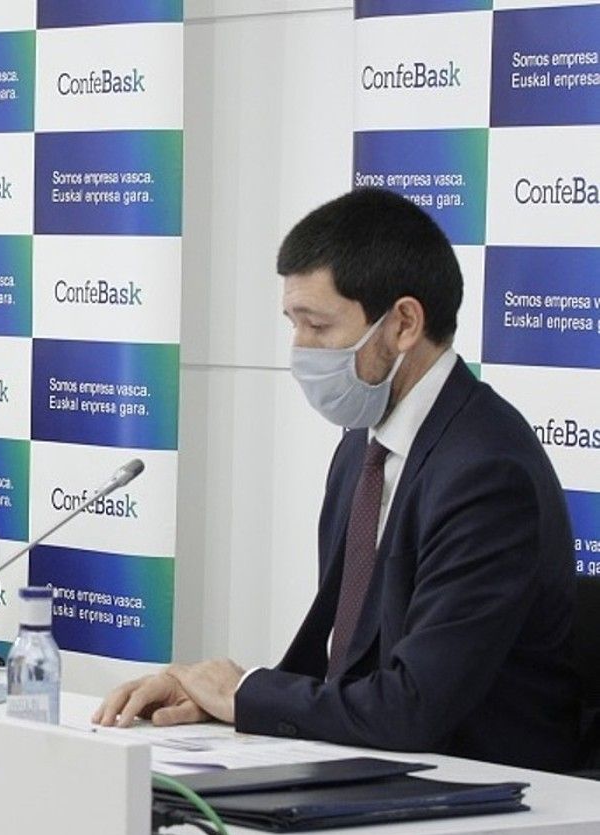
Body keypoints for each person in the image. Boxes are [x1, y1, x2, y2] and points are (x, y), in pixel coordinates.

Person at [93, 188, 580, 771]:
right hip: (383, 770)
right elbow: (342, 662)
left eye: (318, 325)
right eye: (292, 323)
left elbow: (414, 708)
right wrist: (216, 700)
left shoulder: (485, 471)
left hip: (493, 788)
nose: (300, 350)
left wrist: (245, 691)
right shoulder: (363, 443)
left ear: (403, 323)